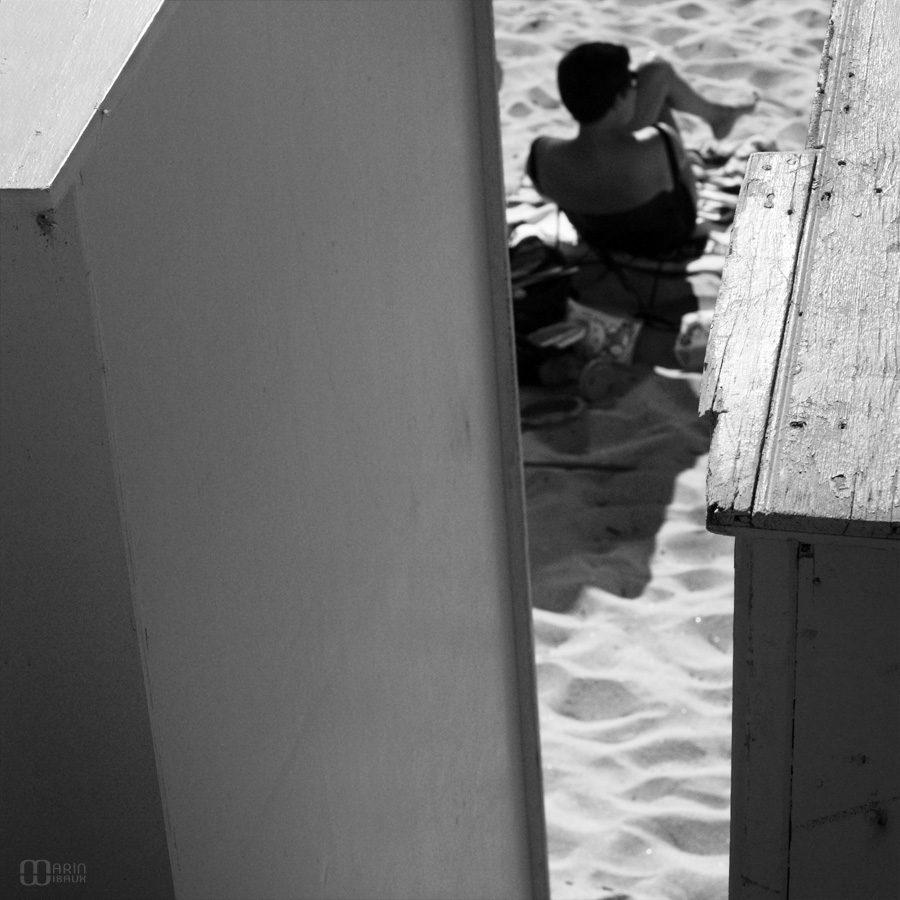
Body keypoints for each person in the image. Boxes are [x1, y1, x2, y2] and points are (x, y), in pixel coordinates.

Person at [526, 42, 755, 257]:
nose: (637, 87)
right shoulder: (659, 143)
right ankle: (719, 116)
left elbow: (549, 193)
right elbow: (684, 188)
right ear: (618, 99)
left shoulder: (541, 154)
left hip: (596, 236)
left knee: (656, 76)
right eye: (632, 81)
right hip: (665, 236)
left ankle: (718, 116)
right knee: (659, 98)